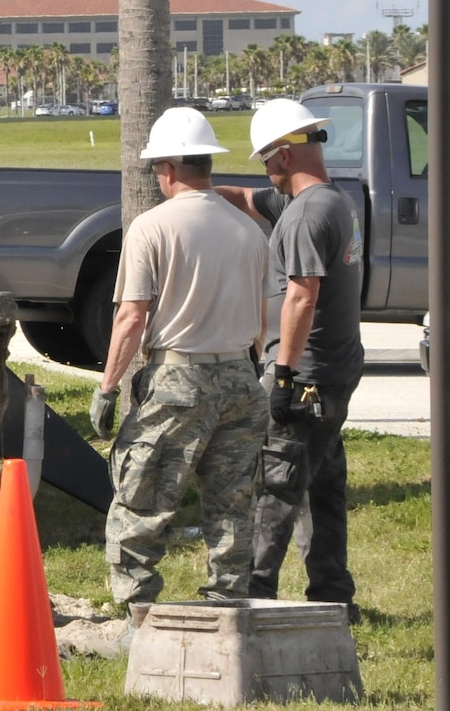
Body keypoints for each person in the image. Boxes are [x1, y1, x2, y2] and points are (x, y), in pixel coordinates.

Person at [91, 106, 271, 608]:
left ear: (168, 168)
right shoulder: (249, 231)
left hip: (179, 378)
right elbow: (261, 320)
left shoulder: (152, 228)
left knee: (141, 498)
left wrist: (108, 387)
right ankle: (227, 603)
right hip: (240, 376)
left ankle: (139, 612)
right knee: (232, 504)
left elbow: (131, 318)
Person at [215, 97, 365, 617]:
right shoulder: (329, 201)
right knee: (322, 484)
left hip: (306, 374)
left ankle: (254, 595)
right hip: (335, 370)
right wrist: (197, 192)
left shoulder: (304, 217)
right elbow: (246, 199)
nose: (264, 173)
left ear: (283, 155)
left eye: (264, 161)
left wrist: (282, 375)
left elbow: (302, 295)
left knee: (276, 486)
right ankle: (333, 595)